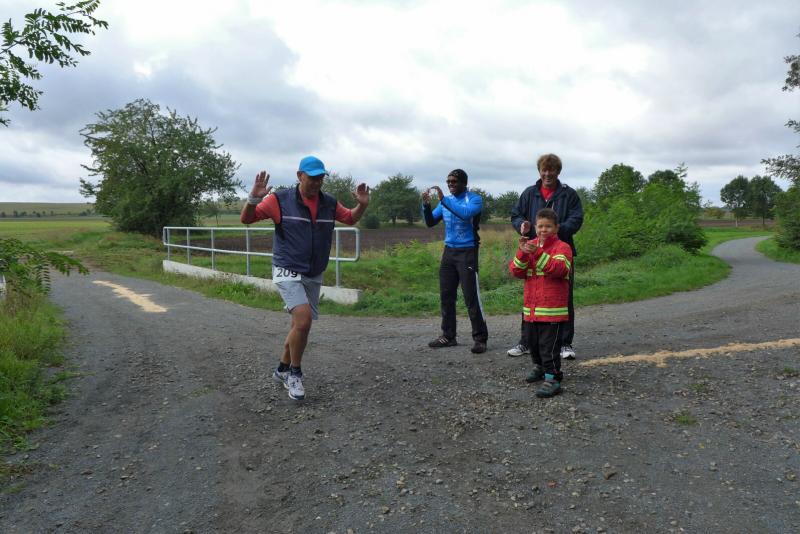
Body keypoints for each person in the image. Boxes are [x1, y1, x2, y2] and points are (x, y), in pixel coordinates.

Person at [240, 156, 370, 400]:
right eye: (312, 178)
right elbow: (247, 219)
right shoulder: (279, 200)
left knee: (299, 326)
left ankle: (281, 369)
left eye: (321, 178)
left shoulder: (328, 202)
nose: (317, 182)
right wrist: (253, 198)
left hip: (313, 270)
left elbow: (350, 218)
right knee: (303, 321)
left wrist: (361, 205)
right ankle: (295, 374)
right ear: (300, 176)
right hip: (287, 268)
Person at [509, 154, 583, 360]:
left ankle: (564, 343)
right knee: (532, 296)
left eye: (552, 170)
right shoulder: (529, 193)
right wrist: (521, 225)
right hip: (533, 250)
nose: (548, 173)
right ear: (539, 171)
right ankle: (526, 342)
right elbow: (515, 215)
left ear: (558, 172)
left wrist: (554, 232)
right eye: (544, 169)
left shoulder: (569, 194)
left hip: (560, 250)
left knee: (563, 297)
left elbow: (577, 219)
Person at [422, 169, 489, 354]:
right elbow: (430, 222)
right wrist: (426, 205)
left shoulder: (474, 199)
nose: (450, 184)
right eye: (448, 181)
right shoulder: (446, 201)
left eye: (454, 181)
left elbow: (465, 214)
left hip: (468, 251)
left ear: (464, 183)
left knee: (470, 296)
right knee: (446, 295)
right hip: (449, 251)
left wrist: (444, 200)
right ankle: (448, 336)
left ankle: (480, 339)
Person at [508, 208, 573, 397]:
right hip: (531, 310)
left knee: (548, 347)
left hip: (552, 311)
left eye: (548, 226)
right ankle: (539, 368)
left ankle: (553, 378)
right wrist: (522, 253)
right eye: (540, 226)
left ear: (556, 228)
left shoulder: (562, 247)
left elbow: (559, 269)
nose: (544, 230)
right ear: (535, 227)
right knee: (533, 344)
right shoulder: (530, 245)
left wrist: (537, 253)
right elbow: (516, 271)